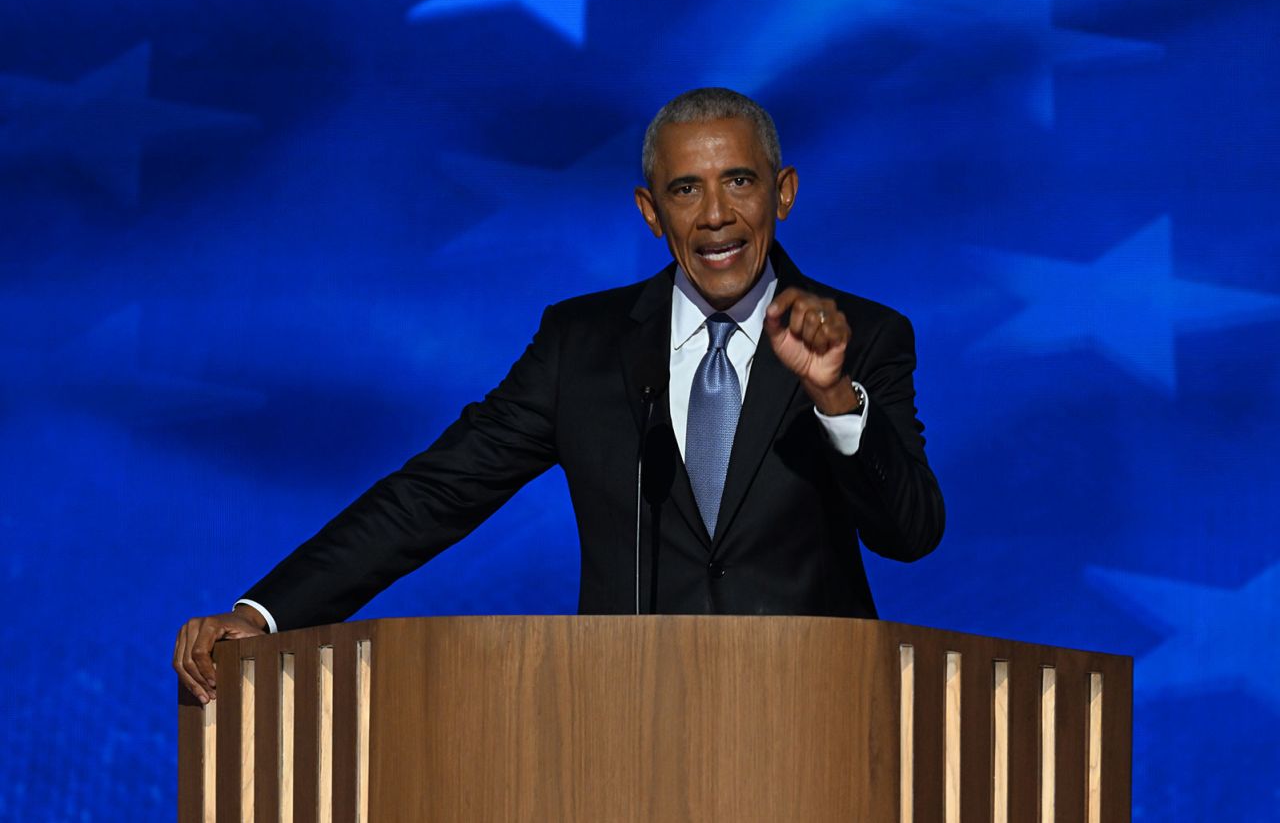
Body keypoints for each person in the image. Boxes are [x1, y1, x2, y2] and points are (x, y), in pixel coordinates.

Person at [174, 88, 945, 704]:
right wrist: (265, 614)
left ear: (784, 193)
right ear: (651, 212)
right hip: (621, 723)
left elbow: (911, 532)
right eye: (686, 189)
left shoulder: (865, 337)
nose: (716, 214)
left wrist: (834, 396)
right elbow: (435, 493)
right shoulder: (583, 346)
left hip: (820, 720)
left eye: (738, 181)